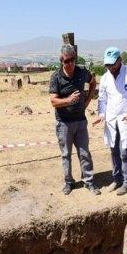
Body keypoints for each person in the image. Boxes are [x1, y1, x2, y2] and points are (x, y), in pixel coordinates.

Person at [49, 44, 97, 196]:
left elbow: (93, 82)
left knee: (84, 153)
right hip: (64, 123)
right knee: (66, 154)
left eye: (72, 60)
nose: (70, 64)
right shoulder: (56, 77)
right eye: (66, 61)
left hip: (81, 121)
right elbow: (54, 102)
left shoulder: (82, 72)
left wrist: (88, 100)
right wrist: (69, 100)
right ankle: (69, 182)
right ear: (61, 61)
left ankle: (88, 182)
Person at [93, 47, 127, 196]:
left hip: (126, 118)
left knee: (125, 152)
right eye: (107, 65)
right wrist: (101, 114)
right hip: (111, 120)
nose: (110, 67)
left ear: (120, 60)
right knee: (114, 150)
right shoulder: (105, 78)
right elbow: (102, 99)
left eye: (112, 64)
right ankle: (117, 179)